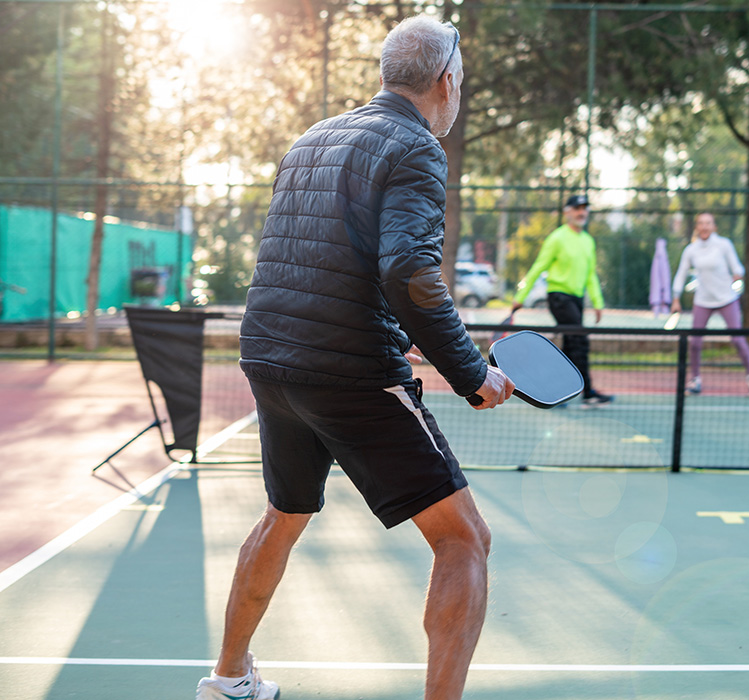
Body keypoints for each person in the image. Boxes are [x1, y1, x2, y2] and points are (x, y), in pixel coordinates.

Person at [195, 16, 514, 700]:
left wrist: (391, 326)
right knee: (466, 542)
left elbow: (315, 257)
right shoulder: (418, 148)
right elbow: (410, 271)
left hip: (272, 359)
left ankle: (226, 681)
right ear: (447, 81)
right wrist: (473, 375)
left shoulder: (314, 137)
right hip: (348, 373)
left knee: (284, 513)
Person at [511, 194, 613, 405]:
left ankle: (557, 392)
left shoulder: (588, 241)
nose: (581, 212)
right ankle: (588, 393)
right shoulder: (557, 238)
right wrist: (520, 296)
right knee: (580, 341)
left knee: (570, 344)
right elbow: (539, 267)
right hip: (559, 297)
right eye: (577, 208)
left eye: (584, 208)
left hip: (576, 300)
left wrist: (598, 303)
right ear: (567, 212)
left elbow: (591, 274)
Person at [670, 211, 749, 397]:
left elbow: (737, 267)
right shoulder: (691, 250)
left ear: (714, 227)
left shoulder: (723, 245)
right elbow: (681, 274)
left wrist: (737, 274)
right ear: (697, 227)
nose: (704, 226)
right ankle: (695, 380)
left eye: (708, 223)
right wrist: (676, 298)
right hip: (703, 300)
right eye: (701, 223)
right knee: (695, 342)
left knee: (737, 339)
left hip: (727, 299)